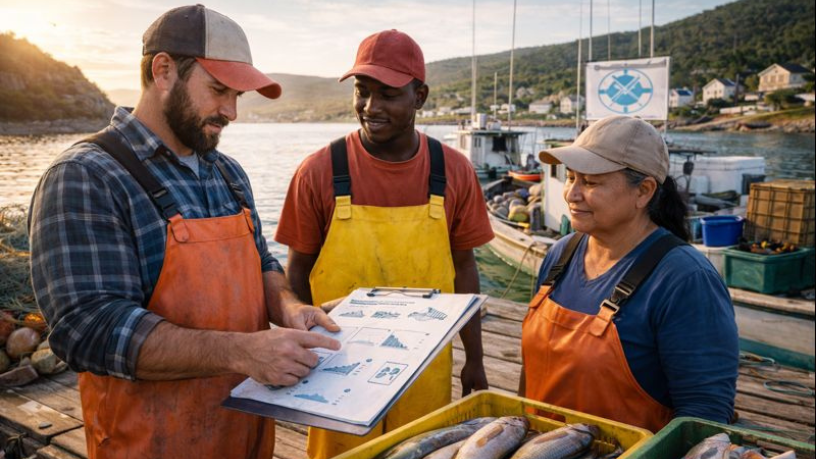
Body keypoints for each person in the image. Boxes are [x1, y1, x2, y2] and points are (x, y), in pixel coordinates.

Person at [28, 5, 340, 458]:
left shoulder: (227, 173)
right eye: (218, 90)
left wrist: (290, 307)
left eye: (238, 95)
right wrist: (241, 352)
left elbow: (263, 263)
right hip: (147, 445)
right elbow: (88, 329)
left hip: (245, 440)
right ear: (164, 71)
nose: (231, 111)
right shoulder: (85, 176)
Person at [275, 29, 494, 459]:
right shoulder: (318, 171)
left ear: (420, 96)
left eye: (388, 94)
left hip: (426, 365)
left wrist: (475, 358)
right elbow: (296, 272)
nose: (371, 108)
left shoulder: (453, 171)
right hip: (337, 366)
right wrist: (302, 350)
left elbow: (464, 268)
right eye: (362, 91)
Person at [520, 115, 738, 432]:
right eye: (570, 178)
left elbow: (704, 415)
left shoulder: (685, 279)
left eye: (591, 182)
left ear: (644, 191)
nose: (571, 194)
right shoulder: (561, 254)